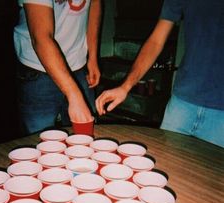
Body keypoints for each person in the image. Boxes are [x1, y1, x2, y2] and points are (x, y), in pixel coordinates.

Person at [95, 0, 224, 148]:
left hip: (221, 113)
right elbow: (156, 41)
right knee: (164, 162)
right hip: (182, 103)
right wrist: (125, 86)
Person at [14, 0, 101, 135]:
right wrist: (75, 95)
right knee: (39, 142)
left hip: (79, 65)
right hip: (38, 67)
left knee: (84, 140)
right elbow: (41, 38)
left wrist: (93, 56)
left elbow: (95, 3)